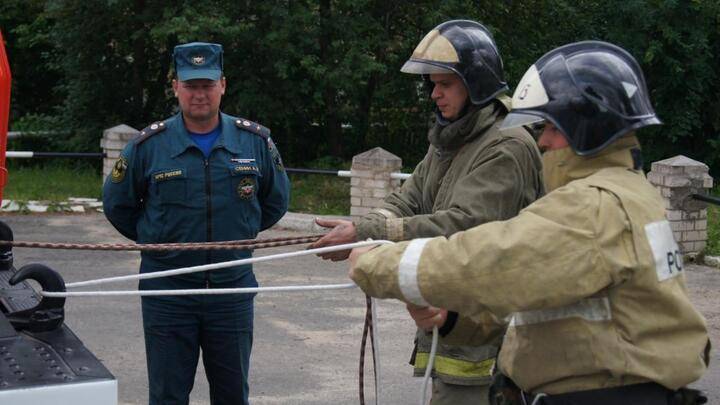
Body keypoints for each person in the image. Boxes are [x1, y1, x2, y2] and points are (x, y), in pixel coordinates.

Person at [348, 40, 711, 404]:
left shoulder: (594, 206)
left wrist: (380, 264)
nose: (543, 142)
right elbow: (542, 295)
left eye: (551, 127)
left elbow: (492, 259)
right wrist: (454, 320)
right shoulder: (633, 194)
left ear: (586, 129)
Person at [310, 20, 544, 404]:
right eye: (432, 84)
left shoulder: (506, 145)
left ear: (477, 84)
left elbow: (463, 225)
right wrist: (362, 229)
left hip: (490, 350)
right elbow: (408, 200)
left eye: (445, 84)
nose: (434, 94)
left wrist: (366, 236)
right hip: (452, 335)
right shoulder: (449, 139)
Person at [103, 42, 289, 405]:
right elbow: (118, 205)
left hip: (230, 291)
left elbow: (275, 201)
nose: (199, 94)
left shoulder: (255, 142)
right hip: (168, 292)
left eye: (206, 85)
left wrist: (239, 233)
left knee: (233, 395)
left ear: (222, 84)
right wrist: (156, 239)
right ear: (176, 87)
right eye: (190, 85)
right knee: (168, 395)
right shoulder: (148, 145)